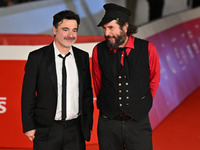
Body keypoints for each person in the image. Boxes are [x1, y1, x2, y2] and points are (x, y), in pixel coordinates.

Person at [21, 10, 93, 150]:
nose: (70, 35)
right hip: (47, 130)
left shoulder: (82, 57)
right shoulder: (37, 58)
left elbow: (87, 94)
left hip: (76, 130)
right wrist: (29, 126)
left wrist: (87, 125)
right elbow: (28, 95)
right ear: (55, 30)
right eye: (65, 30)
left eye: (74, 30)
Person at [92, 3, 160, 150]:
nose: (106, 33)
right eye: (104, 28)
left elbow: (154, 78)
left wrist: (141, 101)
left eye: (111, 28)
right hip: (108, 125)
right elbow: (98, 83)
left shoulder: (148, 49)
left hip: (138, 124)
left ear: (124, 27)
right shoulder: (98, 51)